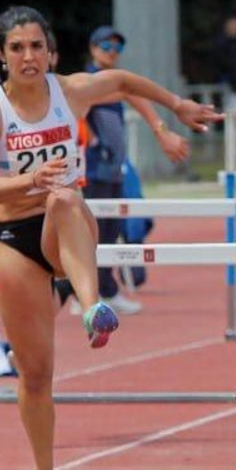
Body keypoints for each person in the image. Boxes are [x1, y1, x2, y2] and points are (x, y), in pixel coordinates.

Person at [0, 6, 219, 470]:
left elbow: (121, 79)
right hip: (14, 236)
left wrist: (175, 105)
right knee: (35, 374)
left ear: (50, 51)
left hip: (68, 226)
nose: (29, 57)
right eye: (17, 48)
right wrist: (27, 180)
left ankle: (91, 304)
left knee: (65, 196)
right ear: (1, 56)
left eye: (36, 46)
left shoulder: (68, 91)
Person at [58, 26, 192, 315]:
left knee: (111, 231)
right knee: (92, 234)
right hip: (92, 168)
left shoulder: (110, 83)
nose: (113, 52)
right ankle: (87, 292)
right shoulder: (86, 82)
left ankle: (97, 290)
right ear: (93, 48)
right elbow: (124, 90)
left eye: (117, 48)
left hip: (113, 167)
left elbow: (126, 89)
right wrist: (96, 143)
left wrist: (159, 128)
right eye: (107, 46)